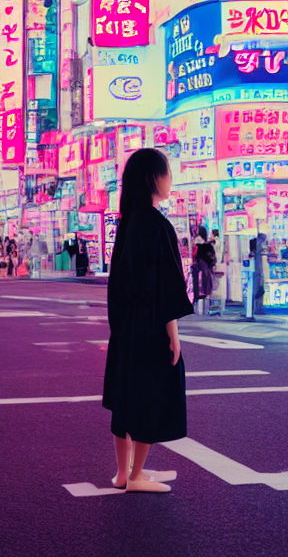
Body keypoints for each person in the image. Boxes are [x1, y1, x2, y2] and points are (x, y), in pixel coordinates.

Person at [103, 148, 192, 494]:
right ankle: (137, 475)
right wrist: (173, 335)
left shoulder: (130, 221)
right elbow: (167, 286)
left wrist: (121, 326)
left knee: (126, 395)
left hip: (126, 326)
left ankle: (123, 473)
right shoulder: (157, 225)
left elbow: (120, 282)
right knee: (150, 395)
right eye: (166, 171)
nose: (170, 178)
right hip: (152, 325)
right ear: (151, 179)